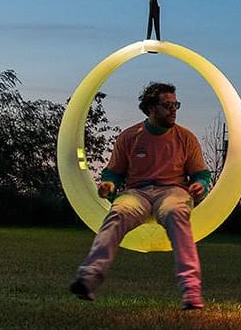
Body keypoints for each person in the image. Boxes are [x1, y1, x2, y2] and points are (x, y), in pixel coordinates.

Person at [69, 82, 212, 310]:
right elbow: (114, 172)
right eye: (167, 105)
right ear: (150, 108)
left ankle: (191, 291)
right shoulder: (130, 137)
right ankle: (88, 278)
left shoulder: (186, 138)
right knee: (117, 214)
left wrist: (200, 185)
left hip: (173, 191)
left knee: (177, 214)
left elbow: (201, 173)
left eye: (176, 105)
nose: (173, 110)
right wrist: (108, 185)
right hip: (137, 193)